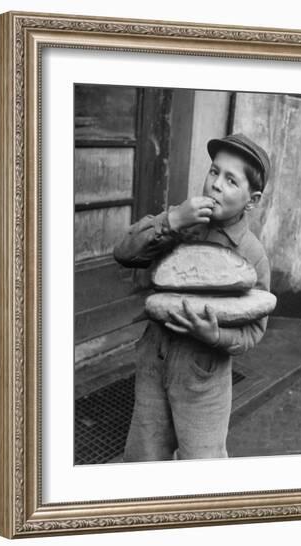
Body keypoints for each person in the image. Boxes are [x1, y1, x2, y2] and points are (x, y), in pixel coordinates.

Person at [113, 133, 271, 462]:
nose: (216, 184)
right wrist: (171, 220)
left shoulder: (253, 255)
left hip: (204, 375)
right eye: (214, 172)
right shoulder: (179, 224)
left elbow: (254, 330)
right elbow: (124, 253)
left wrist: (217, 336)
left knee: (203, 463)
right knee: (144, 455)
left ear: (252, 199)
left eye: (231, 180)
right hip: (154, 362)